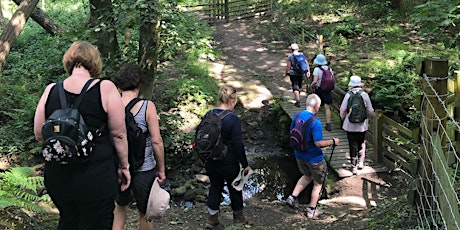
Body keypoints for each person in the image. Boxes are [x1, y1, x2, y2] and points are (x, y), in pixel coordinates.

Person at [33, 41, 131, 229]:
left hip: (58, 177)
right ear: (94, 62)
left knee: (68, 221)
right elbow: (119, 134)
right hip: (96, 176)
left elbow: (39, 133)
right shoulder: (105, 88)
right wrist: (124, 166)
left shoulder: (51, 89)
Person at [112, 64, 166, 230]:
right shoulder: (147, 106)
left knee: (119, 209)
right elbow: (156, 141)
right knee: (145, 213)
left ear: (120, 84)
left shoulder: (112, 106)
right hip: (145, 168)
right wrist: (161, 169)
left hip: (119, 167)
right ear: (139, 84)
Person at [202, 85, 252, 229]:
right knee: (235, 187)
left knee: (215, 187)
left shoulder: (209, 114)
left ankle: (212, 220)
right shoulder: (233, 118)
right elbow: (237, 144)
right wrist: (245, 164)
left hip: (210, 160)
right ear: (232, 100)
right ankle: (238, 218)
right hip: (228, 161)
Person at [285, 94, 339, 218]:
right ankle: (312, 210)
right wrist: (332, 141)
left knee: (307, 175)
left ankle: (292, 198)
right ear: (317, 107)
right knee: (318, 183)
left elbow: (292, 132)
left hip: (299, 155)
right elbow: (318, 143)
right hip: (314, 158)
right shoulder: (316, 123)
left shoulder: (296, 116)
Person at [339, 76, 374, 175]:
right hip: (362, 124)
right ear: (360, 84)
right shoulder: (364, 95)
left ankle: (353, 166)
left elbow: (342, 109)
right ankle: (361, 162)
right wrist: (367, 117)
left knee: (352, 144)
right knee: (362, 142)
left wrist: (343, 117)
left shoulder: (348, 95)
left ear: (351, 84)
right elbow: (370, 110)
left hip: (350, 125)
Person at [310, 54, 334, 131]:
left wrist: (311, 86)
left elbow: (315, 81)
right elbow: (333, 80)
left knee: (316, 106)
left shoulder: (317, 69)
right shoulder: (329, 69)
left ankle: (314, 123)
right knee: (327, 107)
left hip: (319, 89)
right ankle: (328, 123)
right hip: (327, 90)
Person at [285, 43, 311, 107]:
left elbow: (288, 66)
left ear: (291, 49)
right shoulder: (302, 55)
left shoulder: (290, 56)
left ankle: (297, 100)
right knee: (299, 85)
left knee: (295, 86)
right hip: (301, 73)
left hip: (293, 73)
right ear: (298, 48)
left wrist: (286, 73)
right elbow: (306, 63)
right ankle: (298, 97)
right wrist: (308, 71)